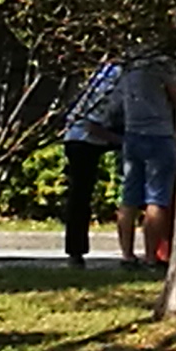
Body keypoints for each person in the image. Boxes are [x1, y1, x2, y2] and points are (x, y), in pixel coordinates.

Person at [115, 6, 176, 267]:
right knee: (157, 197)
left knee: (129, 197)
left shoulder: (127, 62)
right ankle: (151, 255)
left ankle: (126, 254)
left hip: (132, 132)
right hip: (159, 133)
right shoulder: (161, 62)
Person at [57, 55, 123, 271]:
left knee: (79, 195)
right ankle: (75, 250)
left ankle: (75, 250)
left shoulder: (101, 73)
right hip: (85, 138)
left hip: (81, 135)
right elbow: (89, 124)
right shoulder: (117, 79)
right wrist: (122, 140)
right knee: (80, 194)